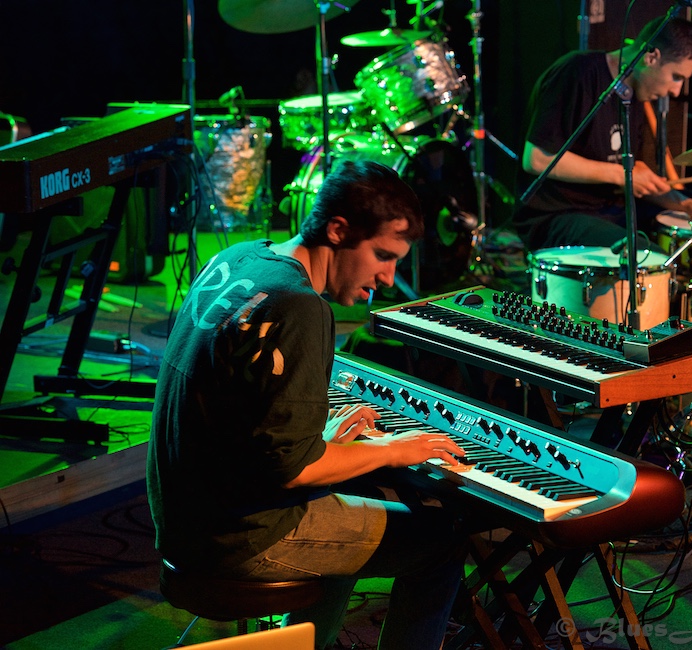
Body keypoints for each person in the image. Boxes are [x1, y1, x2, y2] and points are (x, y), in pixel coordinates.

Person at [147, 159, 469, 650]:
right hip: (239, 536)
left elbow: (243, 421)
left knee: (350, 499)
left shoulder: (238, 260)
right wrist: (396, 450)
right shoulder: (300, 306)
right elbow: (295, 472)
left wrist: (323, 441)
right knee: (440, 541)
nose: (388, 277)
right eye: (382, 255)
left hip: (184, 518)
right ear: (338, 230)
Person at [515, 15, 692, 253]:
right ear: (651, 57)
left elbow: (631, 181)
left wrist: (685, 204)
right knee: (648, 258)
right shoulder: (577, 72)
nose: (676, 91)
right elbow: (537, 159)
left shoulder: (632, 95)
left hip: (610, 207)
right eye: (676, 77)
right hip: (556, 214)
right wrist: (622, 173)